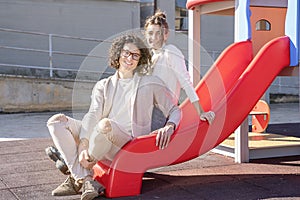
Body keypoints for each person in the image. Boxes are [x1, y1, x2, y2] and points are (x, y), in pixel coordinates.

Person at [46, 34, 181, 200]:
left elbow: (175, 109)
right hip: (100, 139)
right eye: (126, 53)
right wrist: (83, 144)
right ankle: (85, 179)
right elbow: (93, 113)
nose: (129, 58)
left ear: (140, 59)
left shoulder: (151, 82)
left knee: (105, 125)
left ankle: (74, 172)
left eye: (135, 55)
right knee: (56, 122)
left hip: (127, 143)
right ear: (118, 54)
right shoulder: (103, 85)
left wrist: (170, 125)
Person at [144, 10, 215, 125]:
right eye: (150, 33)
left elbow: (186, 83)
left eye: (158, 33)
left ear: (165, 35)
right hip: (146, 110)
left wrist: (201, 112)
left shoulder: (170, 52)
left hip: (160, 112)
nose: (154, 37)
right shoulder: (152, 57)